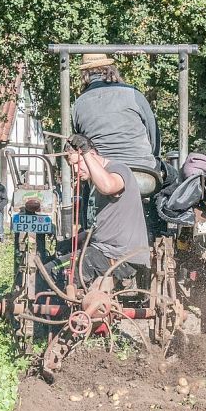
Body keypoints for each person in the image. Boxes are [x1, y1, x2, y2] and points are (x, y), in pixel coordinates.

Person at [60, 134, 149, 285]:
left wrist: (85, 152)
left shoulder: (119, 170)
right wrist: (74, 240)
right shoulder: (93, 184)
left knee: (54, 272)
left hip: (119, 255)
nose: (75, 170)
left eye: (77, 163)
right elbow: (100, 228)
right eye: (71, 166)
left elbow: (108, 186)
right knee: (53, 263)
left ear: (92, 155)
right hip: (102, 251)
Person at [72, 54, 159, 172]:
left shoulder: (79, 104)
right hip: (144, 171)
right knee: (172, 178)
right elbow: (153, 135)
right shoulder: (133, 94)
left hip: (105, 174)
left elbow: (80, 144)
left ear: (84, 75)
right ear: (111, 70)